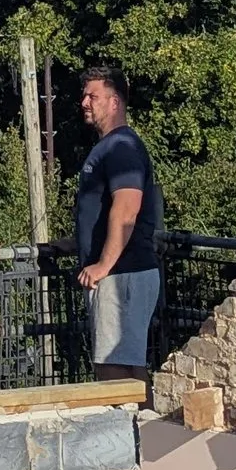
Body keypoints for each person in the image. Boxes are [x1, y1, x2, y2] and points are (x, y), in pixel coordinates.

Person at [74, 62, 163, 381]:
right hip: (121, 272)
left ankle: (136, 431)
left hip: (122, 274)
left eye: (92, 96)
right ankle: (139, 430)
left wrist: (103, 265)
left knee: (117, 373)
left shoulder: (121, 147)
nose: (84, 102)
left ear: (115, 102)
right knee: (122, 369)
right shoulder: (111, 147)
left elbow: (127, 209)